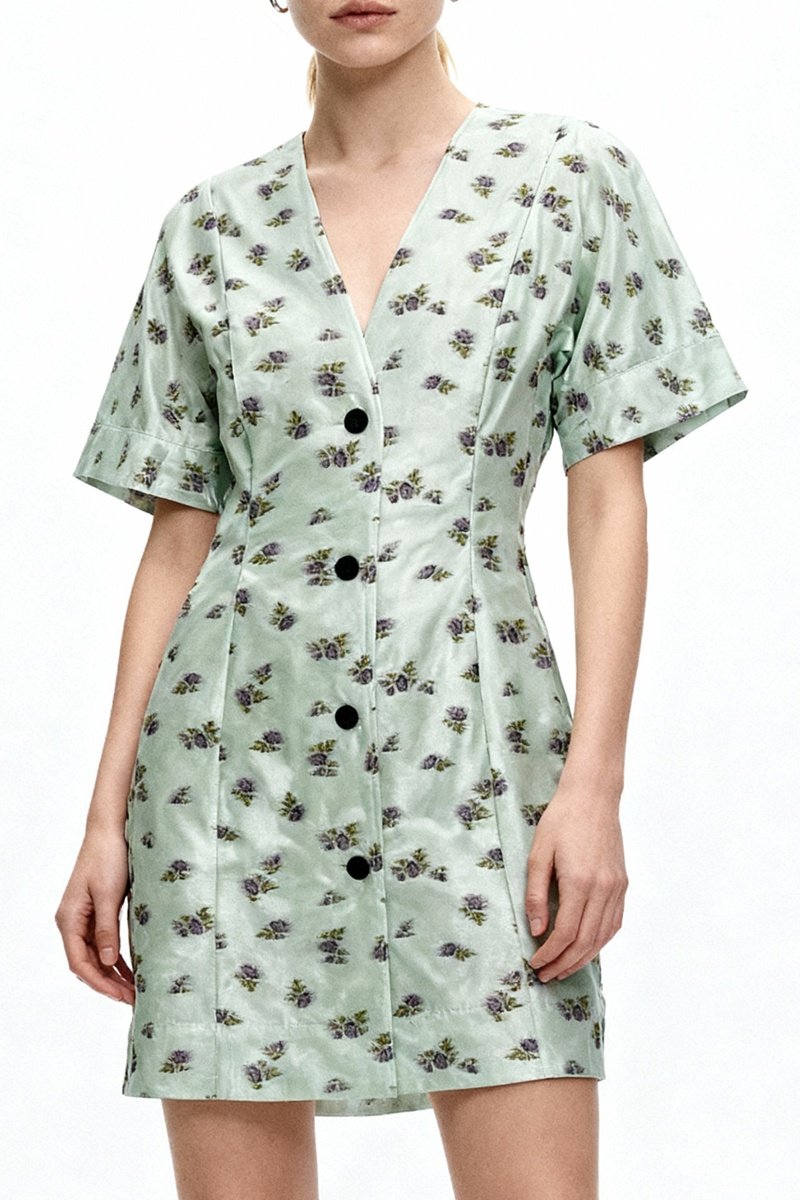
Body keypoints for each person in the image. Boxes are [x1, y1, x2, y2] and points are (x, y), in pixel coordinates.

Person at [55, 1, 749, 1197]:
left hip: (476, 757)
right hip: (228, 781)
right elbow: (178, 539)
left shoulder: (566, 179)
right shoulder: (209, 225)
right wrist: (105, 820)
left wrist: (592, 784)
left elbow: (606, 495)